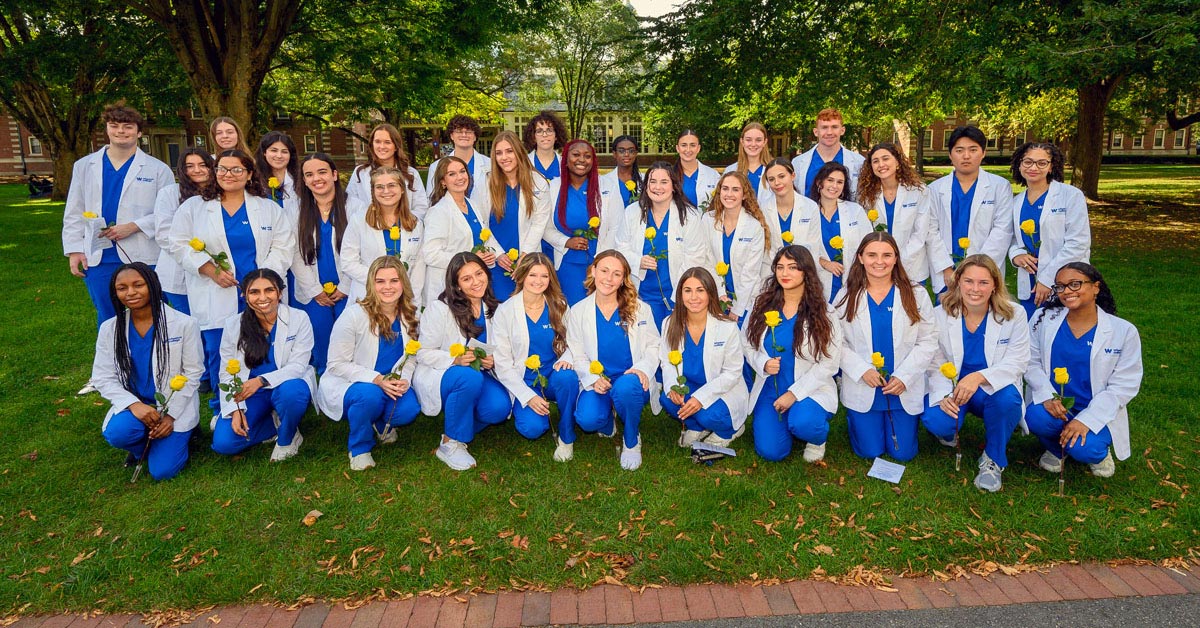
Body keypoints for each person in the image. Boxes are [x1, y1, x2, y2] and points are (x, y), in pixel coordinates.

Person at [169, 149, 295, 418]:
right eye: (223, 169)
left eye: (237, 169)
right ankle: (222, 408)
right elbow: (178, 244)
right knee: (219, 352)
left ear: (249, 174)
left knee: (265, 347)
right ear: (215, 173)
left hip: (260, 293)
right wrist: (209, 269)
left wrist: (263, 280)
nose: (229, 175)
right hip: (216, 292)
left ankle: (269, 404)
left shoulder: (267, 208)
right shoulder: (194, 208)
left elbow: (283, 246)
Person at [921, 255, 1029, 491]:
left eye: (983, 282)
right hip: (954, 387)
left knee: (1007, 401)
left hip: (991, 388)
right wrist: (944, 394)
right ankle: (950, 429)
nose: (975, 289)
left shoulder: (1015, 314)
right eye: (969, 281)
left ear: (995, 285)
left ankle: (992, 459)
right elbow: (935, 360)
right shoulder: (941, 314)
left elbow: (1018, 360)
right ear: (958, 281)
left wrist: (978, 377)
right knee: (936, 421)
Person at [1025, 263, 1142, 478]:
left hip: (1098, 410)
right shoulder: (1044, 319)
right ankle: (1056, 449)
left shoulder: (1123, 331)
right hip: (1056, 406)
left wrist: (1086, 420)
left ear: (1096, 287)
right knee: (1036, 417)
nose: (1067, 291)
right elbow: (1030, 362)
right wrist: (1046, 396)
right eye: (1060, 286)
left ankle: (1096, 453)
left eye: (1075, 284)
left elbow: (1125, 385)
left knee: (1085, 449)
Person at [64, 103, 174, 328]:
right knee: (108, 316)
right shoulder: (84, 166)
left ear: (139, 132)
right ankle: (115, 361)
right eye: (114, 126)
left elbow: (168, 214)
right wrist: (75, 249)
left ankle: (154, 359)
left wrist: (134, 226)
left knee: (150, 312)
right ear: (106, 129)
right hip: (99, 255)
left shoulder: (158, 169)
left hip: (144, 252)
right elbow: (74, 210)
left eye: (128, 126)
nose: (121, 131)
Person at [93, 263, 203, 480]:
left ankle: (182, 435)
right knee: (118, 433)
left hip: (173, 407)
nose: (131, 292)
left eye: (138, 285)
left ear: (153, 285)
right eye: (122, 288)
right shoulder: (110, 328)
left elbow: (193, 373)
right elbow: (102, 377)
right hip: (137, 405)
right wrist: (134, 405)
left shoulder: (184, 324)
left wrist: (170, 416)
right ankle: (141, 446)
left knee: (162, 471)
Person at [835, 233, 937, 461]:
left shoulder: (916, 294)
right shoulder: (846, 295)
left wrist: (905, 376)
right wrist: (862, 370)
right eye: (872, 255)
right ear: (860, 257)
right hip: (865, 384)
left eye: (886, 255)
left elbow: (928, 340)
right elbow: (835, 342)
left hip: (902, 386)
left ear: (896, 258)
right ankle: (858, 421)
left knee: (903, 454)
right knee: (869, 451)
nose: (879, 261)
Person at [317, 256, 423, 471]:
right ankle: (359, 448)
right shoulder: (353, 316)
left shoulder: (411, 313)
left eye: (394, 280)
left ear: (403, 282)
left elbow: (411, 356)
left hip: (390, 382)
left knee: (408, 410)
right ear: (371, 285)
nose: (388, 287)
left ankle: (380, 421)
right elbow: (336, 364)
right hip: (357, 383)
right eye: (380, 281)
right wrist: (376, 379)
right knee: (369, 396)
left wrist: (403, 379)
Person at [413, 252, 511, 471]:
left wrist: (494, 360)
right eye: (467, 279)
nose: (476, 281)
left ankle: (461, 422)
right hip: (447, 373)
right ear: (456, 285)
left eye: (479, 273)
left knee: (499, 409)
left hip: (481, 374)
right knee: (468, 376)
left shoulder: (495, 308)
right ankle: (450, 442)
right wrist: (454, 359)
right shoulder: (440, 309)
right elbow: (422, 352)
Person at [744, 246, 842, 462]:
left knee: (804, 423)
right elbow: (746, 343)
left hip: (810, 388)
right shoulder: (761, 305)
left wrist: (794, 394)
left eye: (793, 267)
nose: (785, 273)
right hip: (771, 387)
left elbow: (830, 362)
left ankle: (816, 438)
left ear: (806, 271)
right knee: (771, 452)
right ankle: (787, 422)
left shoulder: (825, 312)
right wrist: (762, 362)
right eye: (780, 267)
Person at [565, 250, 661, 470]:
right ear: (593, 271)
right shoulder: (579, 311)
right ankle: (608, 423)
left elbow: (654, 345)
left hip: (630, 379)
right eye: (604, 271)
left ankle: (631, 439)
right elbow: (577, 353)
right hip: (600, 380)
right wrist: (591, 378)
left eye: (616, 274)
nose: (609, 278)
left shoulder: (639, 308)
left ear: (623, 279)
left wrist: (642, 369)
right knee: (588, 420)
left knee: (626, 389)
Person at [213, 269, 316, 460]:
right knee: (224, 443)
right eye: (254, 292)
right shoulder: (234, 325)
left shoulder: (299, 318)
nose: (262, 297)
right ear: (244, 294)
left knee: (292, 392)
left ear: (280, 293)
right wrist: (235, 410)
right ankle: (274, 422)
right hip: (250, 391)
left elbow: (298, 366)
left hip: (286, 385)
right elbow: (227, 373)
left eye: (269, 290)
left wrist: (261, 380)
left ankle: (288, 437)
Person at [492, 253, 581, 449]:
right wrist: (528, 396)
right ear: (521, 275)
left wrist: (566, 358)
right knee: (531, 428)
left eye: (544, 276)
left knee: (567, 378)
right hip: (524, 380)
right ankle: (533, 407)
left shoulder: (559, 306)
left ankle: (566, 436)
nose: (538, 281)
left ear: (551, 279)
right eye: (532, 275)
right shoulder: (505, 312)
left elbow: (575, 341)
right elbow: (503, 365)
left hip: (554, 375)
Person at [659, 268, 748, 449]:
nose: (694, 297)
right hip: (690, 385)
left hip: (721, 389)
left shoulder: (727, 327)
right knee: (667, 399)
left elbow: (732, 374)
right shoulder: (670, 323)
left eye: (700, 290)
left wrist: (701, 398)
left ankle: (730, 430)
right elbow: (667, 362)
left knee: (707, 414)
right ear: (680, 294)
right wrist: (671, 388)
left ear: (710, 293)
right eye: (688, 290)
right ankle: (695, 426)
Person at [615, 161, 710, 328]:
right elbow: (620, 247)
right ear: (646, 186)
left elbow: (695, 257)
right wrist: (638, 261)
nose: (657, 187)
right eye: (653, 181)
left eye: (664, 182)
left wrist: (679, 294)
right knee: (647, 343)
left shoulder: (689, 216)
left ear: (674, 186)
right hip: (643, 295)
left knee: (675, 344)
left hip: (677, 294)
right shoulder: (632, 212)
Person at [1008, 143, 1091, 318]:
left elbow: (1078, 243)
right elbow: (1013, 239)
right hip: (1030, 284)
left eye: (1041, 163)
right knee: (1032, 336)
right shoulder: (1016, 202)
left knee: (1064, 334)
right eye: (1028, 162)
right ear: (1020, 164)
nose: (1033, 168)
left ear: (1051, 166)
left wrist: (1048, 279)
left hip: (1066, 282)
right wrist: (1016, 255)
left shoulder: (1070, 195)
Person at [928, 126, 1014, 294]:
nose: (966, 156)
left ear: (983, 153)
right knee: (948, 316)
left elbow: (1002, 231)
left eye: (973, 150)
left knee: (984, 316)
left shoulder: (999, 186)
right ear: (950, 154)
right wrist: (945, 267)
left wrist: (978, 270)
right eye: (959, 150)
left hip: (985, 273)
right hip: (948, 274)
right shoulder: (935, 189)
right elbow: (930, 231)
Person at [290, 154, 353, 372]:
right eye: (309, 174)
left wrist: (345, 287)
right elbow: (294, 253)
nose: (317, 178)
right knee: (320, 327)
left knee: (347, 330)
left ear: (334, 175)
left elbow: (362, 249)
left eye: (322, 172)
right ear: (304, 181)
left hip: (349, 285)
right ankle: (327, 372)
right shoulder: (294, 209)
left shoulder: (355, 206)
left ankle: (350, 370)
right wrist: (315, 290)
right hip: (313, 288)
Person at [542, 139, 624, 304]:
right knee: (570, 314)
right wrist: (566, 241)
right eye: (576, 155)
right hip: (566, 264)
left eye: (587, 156)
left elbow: (617, 227)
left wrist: (601, 261)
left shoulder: (607, 187)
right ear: (565, 159)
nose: (581, 160)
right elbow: (545, 228)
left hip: (600, 265)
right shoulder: (553, 187)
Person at [857, 142, 945, 288]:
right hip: (878, 266)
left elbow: (921, 232)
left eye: (886, 159)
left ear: (897, 162)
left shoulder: (919, 191)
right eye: (875, 161)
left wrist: (897, 259)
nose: (881, 164)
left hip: (912, 265)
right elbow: (865, 231)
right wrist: (882, 259)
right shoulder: (866, 195)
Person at [482, 130, 553, 298]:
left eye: (509, 151)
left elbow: (539, 223)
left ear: (518, 152)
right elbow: (481, 223)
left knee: (526, 304)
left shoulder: (538, 181)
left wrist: (525, 255)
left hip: (527, 257)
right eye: (499, 153)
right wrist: (498, 254)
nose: (504, 157)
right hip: (497, 259)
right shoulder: (486, 182)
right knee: (499, 309)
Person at [340, 167, 426, 303]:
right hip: (367, 296)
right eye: (379, 187)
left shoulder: (416, 223)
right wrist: (381, 280)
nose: (386, 191)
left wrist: (413, 302)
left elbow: (418, 269)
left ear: (402, 189)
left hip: (403, 300)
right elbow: (348, 262)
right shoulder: (359, 220)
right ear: (373, 192)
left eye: (392, 185)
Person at [422, 157, 499, 304]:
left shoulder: (472, 205)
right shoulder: (438, 211)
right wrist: (469, 260)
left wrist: (492, 254)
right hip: (448, 287)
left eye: (462, 171)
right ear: (443, 182)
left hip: (470, 286)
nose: (459, 177)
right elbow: (431, 254)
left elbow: (484, 236)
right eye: (451, 174)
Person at [702, 172, 771, 322]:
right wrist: (720, 295)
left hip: (745, 301)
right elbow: (707, 259)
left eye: (735, 189)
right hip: (715, 297)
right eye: (725, 189)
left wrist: (737, 308)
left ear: (744, 195)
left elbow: (750, 272)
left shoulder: (754, 227)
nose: (729, 194)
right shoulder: (708, 220)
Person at [154, 149, 214, 315]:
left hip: (213, 270)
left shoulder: (220, 193)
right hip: (177, 271)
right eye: (190, 166)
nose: (197, 170)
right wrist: (197, 258)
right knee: (190, 324)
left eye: (203, 165)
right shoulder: (169, 193)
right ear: (182, 169)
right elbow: (164, 235)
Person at [810, 162, 872, 303]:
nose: (834, 186)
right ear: (820, 183)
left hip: (851, 280)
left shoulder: (855, 211)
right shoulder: (808, 211)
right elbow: (801, 248)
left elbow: (869, 245)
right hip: (818, 280)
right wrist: (824, 263)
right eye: (830, 180)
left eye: (840, 182)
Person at [346, 123, 430, 219]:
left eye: (387, 142)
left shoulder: (411, 173)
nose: (382, 146)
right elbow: (351, 205)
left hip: (405, 229)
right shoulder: (360, 173)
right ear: (372, 144)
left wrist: (402, 222)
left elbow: (421, 207)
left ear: (396, 146)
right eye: (377, 141)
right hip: (370, 228)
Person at [760, 158, 821, 271]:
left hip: (801, 270)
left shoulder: (810, 207)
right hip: (771, 272)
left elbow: (813, 247)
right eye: (771, 179)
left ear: (793, 176)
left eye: (782, 176)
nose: (777, 183)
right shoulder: (762, 209)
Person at [791, 108, 866, 198]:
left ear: (842, 130)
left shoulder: (859, 162)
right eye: (824, 127)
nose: (829, 132)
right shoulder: (797, 163)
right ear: (816, 132)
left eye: (834, 127)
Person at [425, 115, 491, 205]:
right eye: (459, 131)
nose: (464, 135)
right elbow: (432, 200)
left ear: (475, 137)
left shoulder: (490, 164)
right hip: (449, 217)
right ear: (451, 135)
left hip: (484, 217)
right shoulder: (436, 167)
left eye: (468, 131)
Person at [254, 131, 300, 218]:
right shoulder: (254, 181)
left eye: (284, 152)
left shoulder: (300, 181)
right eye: (274, 150)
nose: (279, 156)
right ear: (264, 152)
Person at [723, 122, 773, 200]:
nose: (753, 144)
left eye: (758, 140)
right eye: (748, 140)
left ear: (765, 142)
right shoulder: (731, 170)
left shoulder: (774, 169)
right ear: (742, 141)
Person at [674, 130, 720, 210]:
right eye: (684, 145)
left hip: (706, 222)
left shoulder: (713, 175)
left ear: (698, 148)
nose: (688, 149)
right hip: (677, 222)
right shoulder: (670, 175)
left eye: (692, 145)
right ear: (677, 148)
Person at [523, 111, 567, 181]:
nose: (544, 135)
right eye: (539, 131)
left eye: (549, 130)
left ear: (556, 136)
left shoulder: (565, 164)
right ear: (533, 137)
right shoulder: (524, 163)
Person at [600, 135, 642, 208]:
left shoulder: (645, 180)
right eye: (621, 151)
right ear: (614, 154)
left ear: (636, 154)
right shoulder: (603, 181)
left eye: (631, 151)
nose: (626, 154)